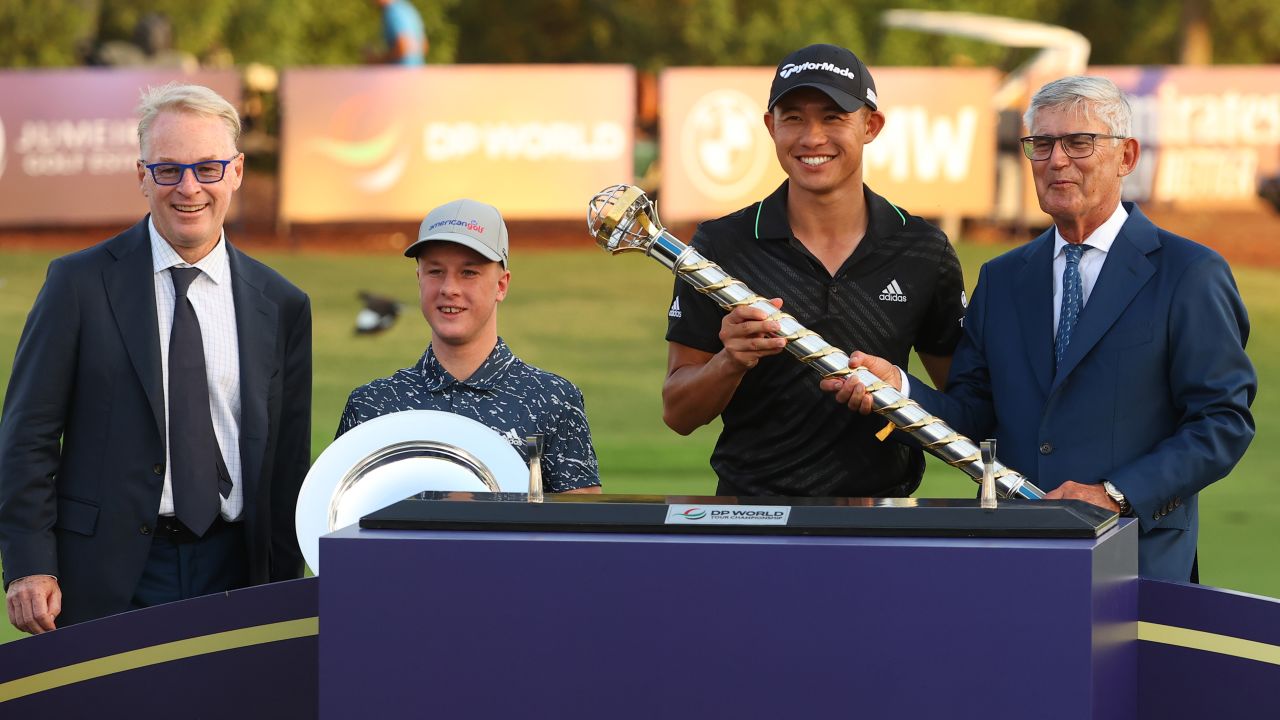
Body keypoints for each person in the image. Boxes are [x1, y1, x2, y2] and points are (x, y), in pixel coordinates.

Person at [824, 76, 1256, 582]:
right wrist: (897, 388)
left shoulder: (1188, 272)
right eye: (1042, 144)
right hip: (1017, 557)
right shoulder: (1003, 278)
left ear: (1127, 156)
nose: (1057, 160)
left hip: (1139, 561)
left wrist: (1115, 494)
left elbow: (1222, 422)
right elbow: (974, 415)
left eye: (1079, 143)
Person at [0, 83, 313, 634]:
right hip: (107, 575)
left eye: (208, 168)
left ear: (236, 172)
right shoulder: (77, 285)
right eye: (168, 170)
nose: (188, 188)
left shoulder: (282, 304)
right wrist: (29, 566)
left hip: (236, 569)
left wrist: (285, 586)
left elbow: (287, 463)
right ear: (141, 175)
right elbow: (27, 436)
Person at [663, 44, 966, 498]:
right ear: (771, 127)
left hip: (880, 522)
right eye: (793, 117)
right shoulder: (721, 245)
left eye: (833, 116)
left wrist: (898, 392)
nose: (812, 137)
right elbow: (678, 413)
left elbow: (964, 409)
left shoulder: (922, 250)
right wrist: (731, 362)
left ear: (871, 125)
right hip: (752, 520)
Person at [336, 199, 601, 494]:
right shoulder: (372, 406)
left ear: (501, 285)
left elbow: (583, 532)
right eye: (435, 271)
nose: (449, 288)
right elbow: (337, 524)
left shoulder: (552, 401)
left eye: (469, 273)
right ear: (419, 280)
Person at [371, 0, 427, 65]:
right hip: (417, 71)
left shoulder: (393, 12)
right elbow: (424, 45)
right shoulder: (408, 8)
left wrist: (378, 61)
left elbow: (404, 46)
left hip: (400, 72)